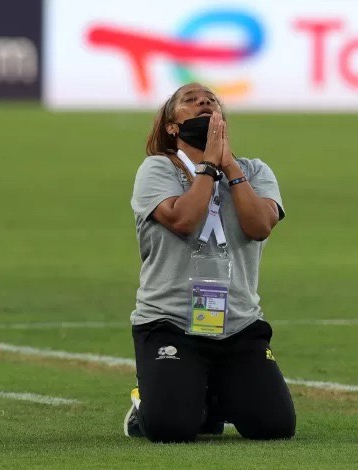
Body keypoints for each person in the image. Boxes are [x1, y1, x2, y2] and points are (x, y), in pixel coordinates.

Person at [125, 82, 296, 443]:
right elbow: (184, 221)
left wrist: (229, 163)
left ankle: (207, 397)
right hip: (170, 322)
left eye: (211, 100)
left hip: (237, 324)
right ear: (173, 127)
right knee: (171, 429)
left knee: (274, 427)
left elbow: (260, 226)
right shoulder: (157, 170)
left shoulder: (256, 171)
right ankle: (146, 402)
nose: (203, 101)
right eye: (190, 100)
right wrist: (207, 167)